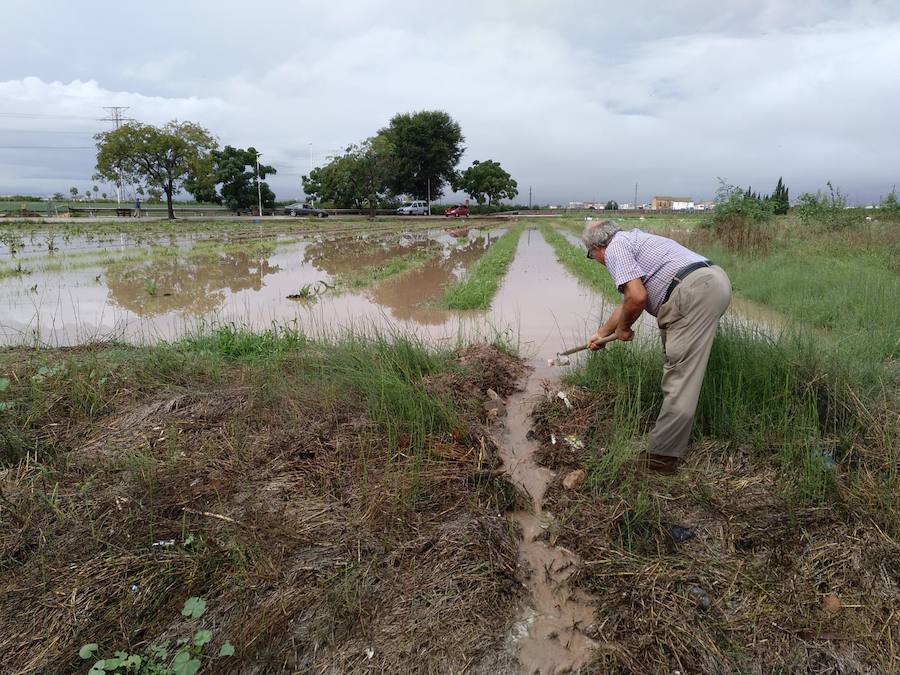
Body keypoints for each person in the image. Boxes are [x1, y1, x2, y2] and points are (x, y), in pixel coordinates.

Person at [582, 220, 732, 473]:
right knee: (680, 367)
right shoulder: (632, 240)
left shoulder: (615, 248)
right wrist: (603, 334)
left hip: (692, 292)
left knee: (681, 376)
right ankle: (670, 435)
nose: (595, 260)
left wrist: (624, 329)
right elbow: (627, 302)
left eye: (590, 255)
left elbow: (637, 298)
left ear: (598, 247)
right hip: (709, 282)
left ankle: (661, 458)